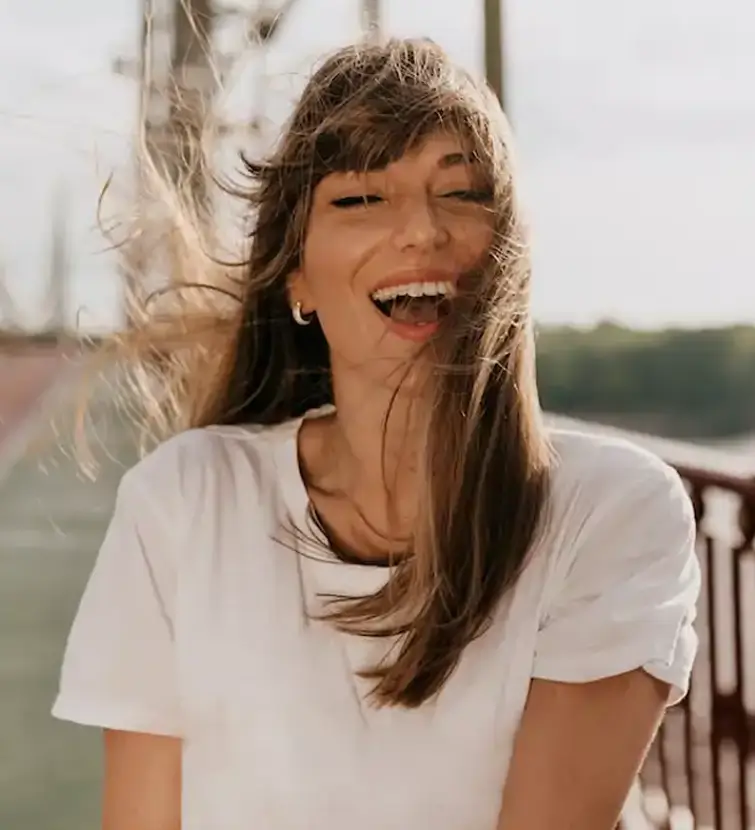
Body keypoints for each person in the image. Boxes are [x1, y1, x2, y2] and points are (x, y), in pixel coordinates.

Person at [52, 37, 700, 830]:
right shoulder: (183, 500)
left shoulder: (611, 509)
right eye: (360, 200)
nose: (420, 231)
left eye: (461, 192)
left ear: (510, 255)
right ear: (297, 277)